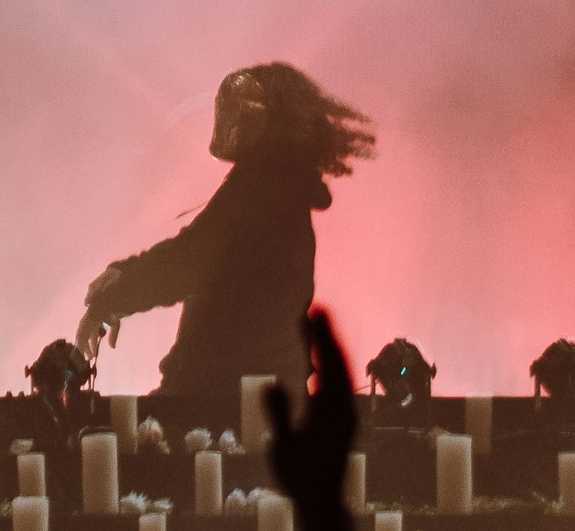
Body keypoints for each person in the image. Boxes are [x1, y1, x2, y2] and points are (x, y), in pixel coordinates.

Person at [83, 63, 370, 436]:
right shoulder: (281, 188)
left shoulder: (262, 187)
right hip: (262, 394)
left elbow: (190, 260)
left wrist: (114, 291)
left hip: (221, 399)